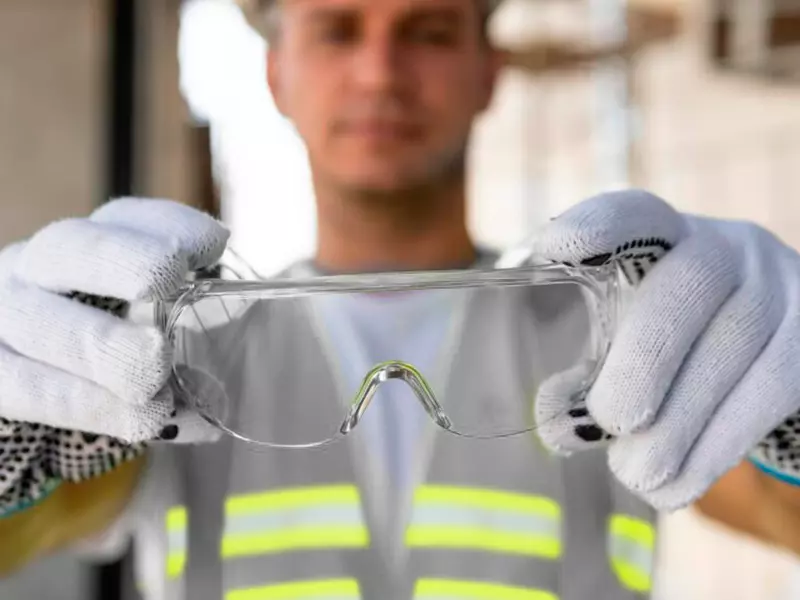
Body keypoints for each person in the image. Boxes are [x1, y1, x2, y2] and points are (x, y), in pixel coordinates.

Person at [1, 0, 800, 598]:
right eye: (339, 30)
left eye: (427, 31)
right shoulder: (167, 357)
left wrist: (789, 409)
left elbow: (777, 507)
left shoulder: (622, 340)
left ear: (490, 72)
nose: (381, 72)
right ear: (277, 75)